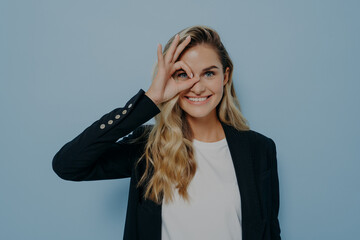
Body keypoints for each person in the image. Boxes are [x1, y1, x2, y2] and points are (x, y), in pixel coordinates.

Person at [52, 25, 281, 240]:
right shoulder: (147, 147)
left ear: (226, 76)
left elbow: (269, 230)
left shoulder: (259, 149)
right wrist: (150, 100)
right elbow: (67, 165)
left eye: (209, 73)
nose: (198, 87)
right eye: (184, 75)